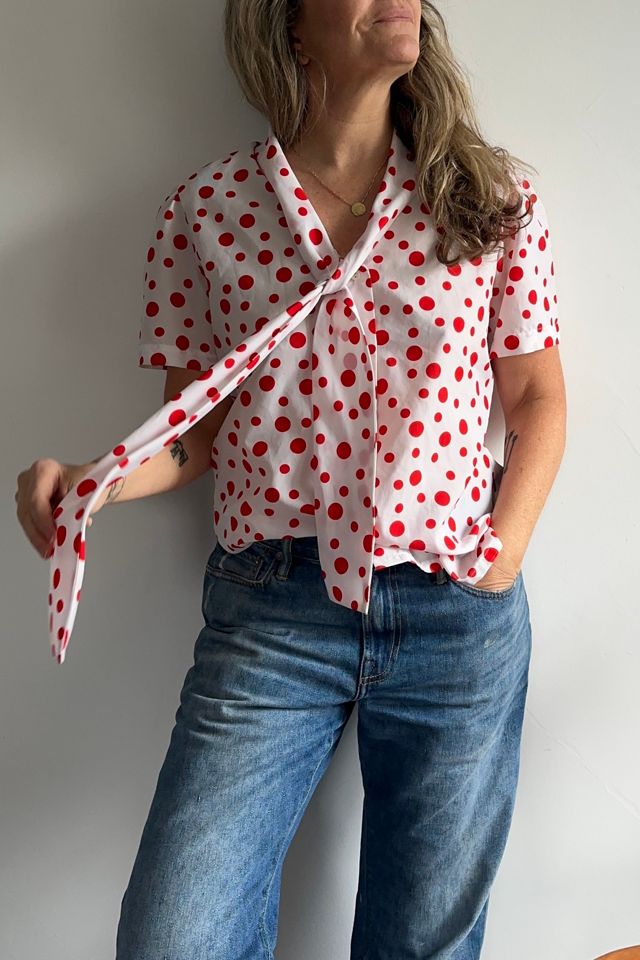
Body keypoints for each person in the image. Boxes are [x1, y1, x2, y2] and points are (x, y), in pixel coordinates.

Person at [15, 0, 566, 956]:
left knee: (424, 944)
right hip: (274, 609)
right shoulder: (209, 209)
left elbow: (536, 399)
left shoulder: (487, 194)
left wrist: (502, 554)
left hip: (453, 608)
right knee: (173, 936)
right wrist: (90, 483)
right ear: (290, 26)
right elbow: (195, 434)